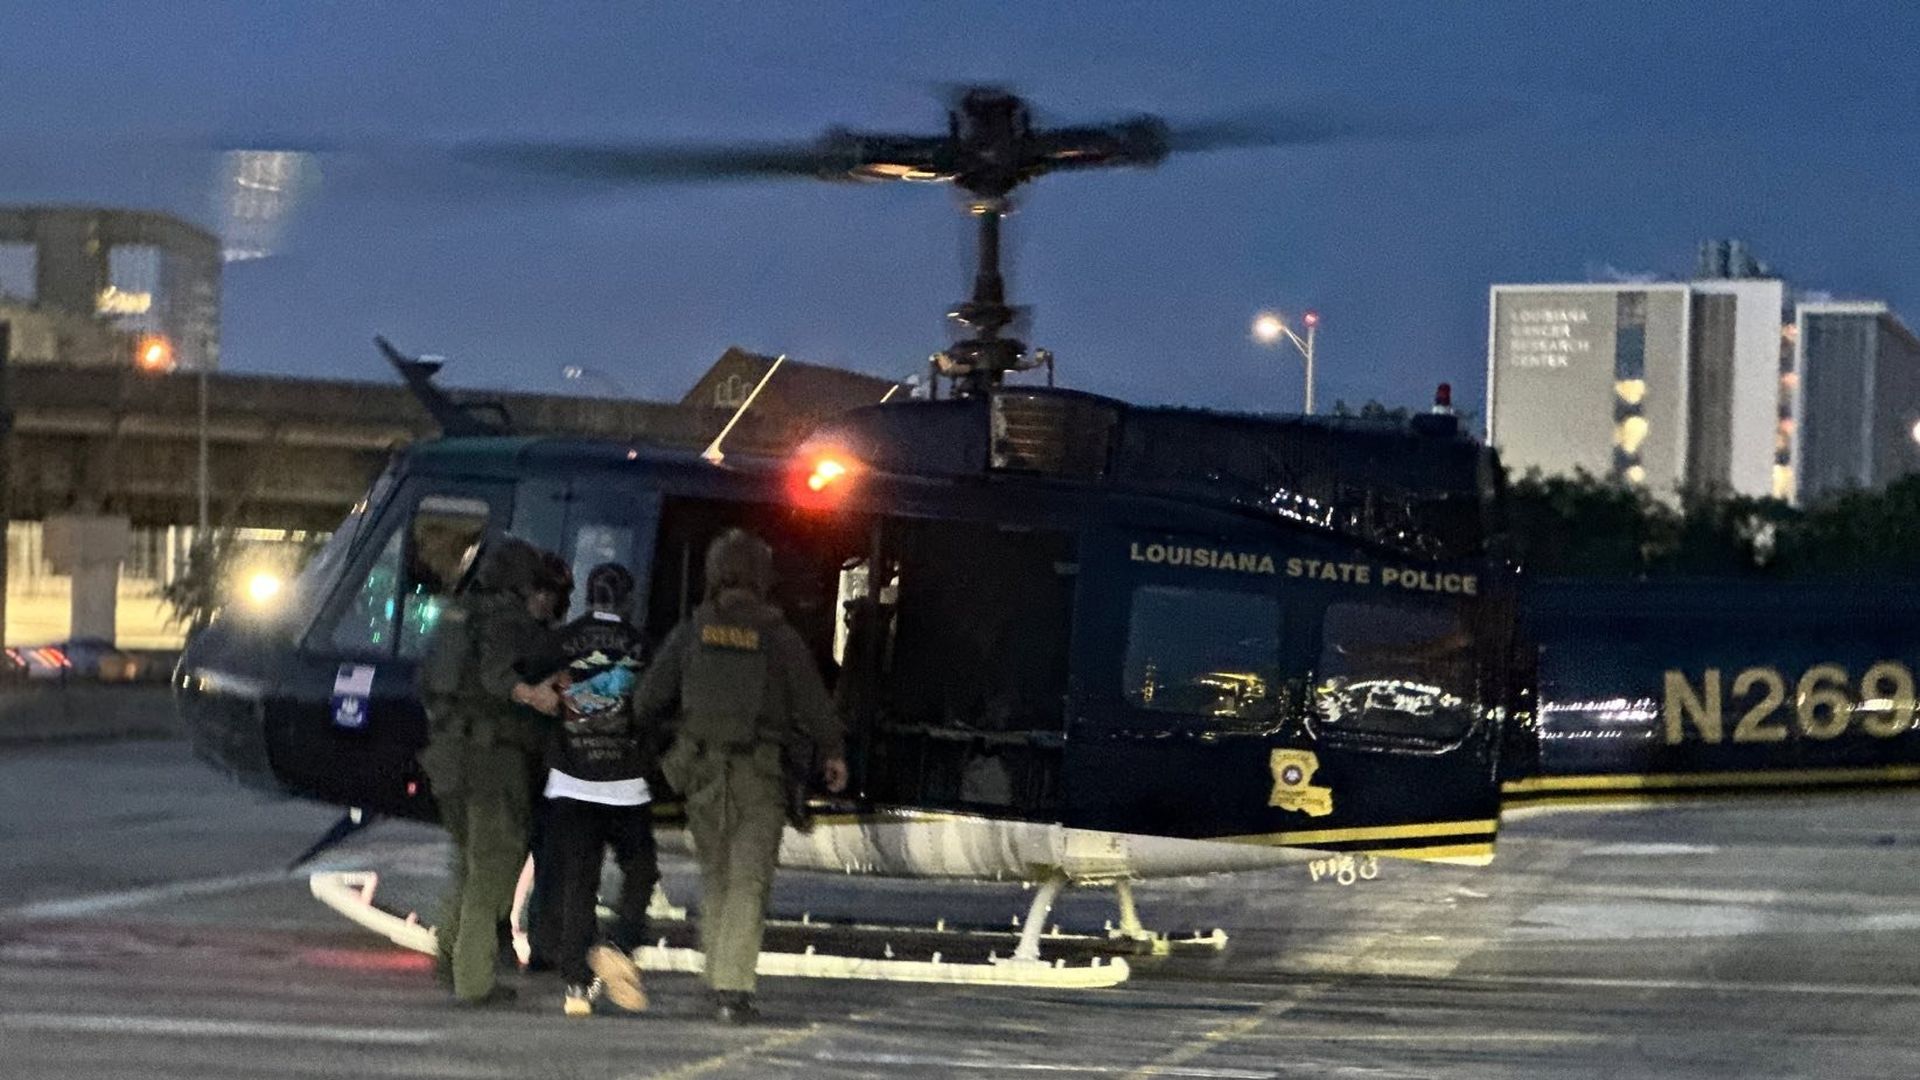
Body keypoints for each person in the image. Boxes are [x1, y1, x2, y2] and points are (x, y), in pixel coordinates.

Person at [634, 528, 848, 1023]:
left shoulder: (692, 631)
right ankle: (732, 988)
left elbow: (646, 701)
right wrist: (832, 752)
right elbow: (814, 705)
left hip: (701, 772)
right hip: (759, 774)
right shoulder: (778, 636)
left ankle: (717, 976)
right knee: (749, 881)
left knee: (717, 876)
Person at [417, 536, 568, 1006]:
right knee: (492, 870)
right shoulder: (507, 621)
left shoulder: (454, 619)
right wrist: (536, 695)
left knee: (466, 861)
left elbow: (427, 682)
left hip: (446, 755)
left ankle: (450, 955)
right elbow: (497, 677)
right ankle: (474, 980)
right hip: (492, 761)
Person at [525, 562, 660, 1017]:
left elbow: (526, 673)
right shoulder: (643, 645)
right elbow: (657, 701)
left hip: (570, 779)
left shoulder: (563, 640)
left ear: (589, 596)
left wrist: (549, 691)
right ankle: (619, 946)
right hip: (625, 782)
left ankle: (576, 988)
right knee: (641, 870)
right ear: (626, 599)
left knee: (578, 884)